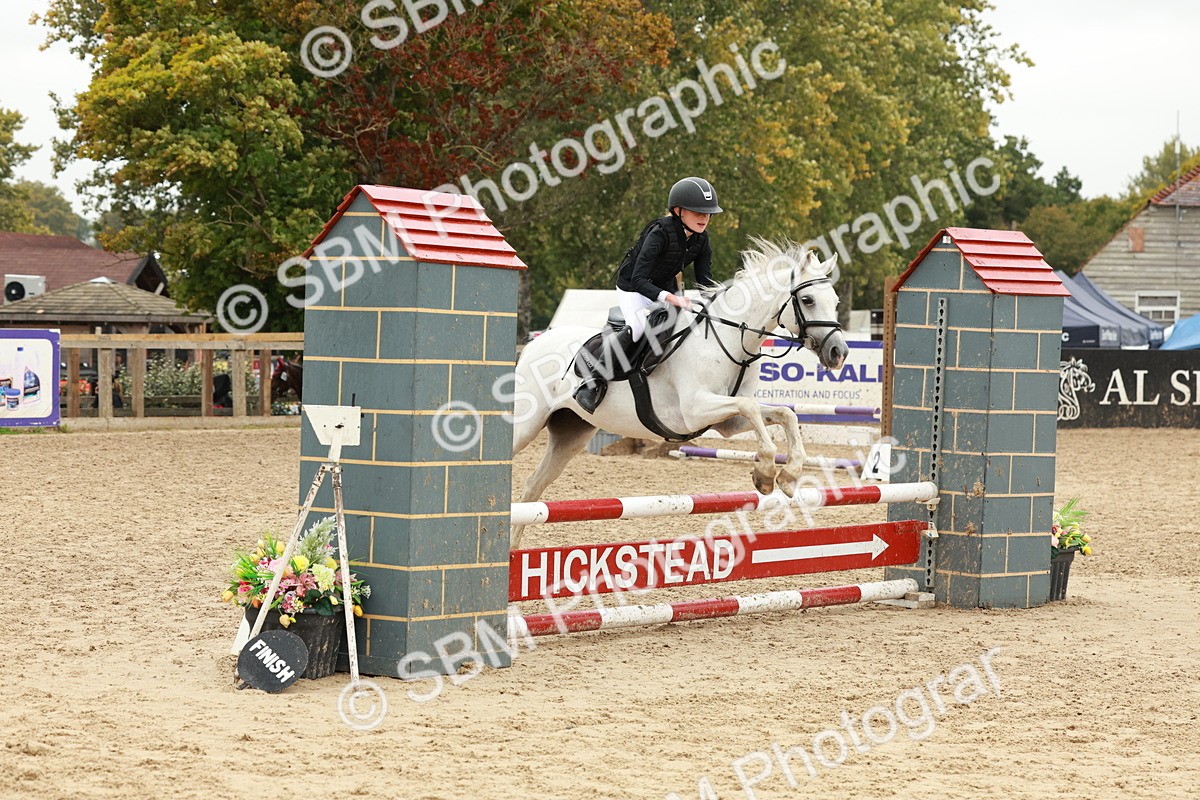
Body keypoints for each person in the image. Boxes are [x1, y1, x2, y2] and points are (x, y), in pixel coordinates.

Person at [573, 177, 723, 413]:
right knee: (639, 327)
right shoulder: (659, 233)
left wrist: (719, 299)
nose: (704, 218)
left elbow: (705, 282)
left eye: (708, 213)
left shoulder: (702, 241)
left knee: (684, 324)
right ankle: (591, 383)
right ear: (678, 211)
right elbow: (638, 279)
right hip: (633, 288)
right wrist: (670, 298)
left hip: (665, 288)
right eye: (698, 212)